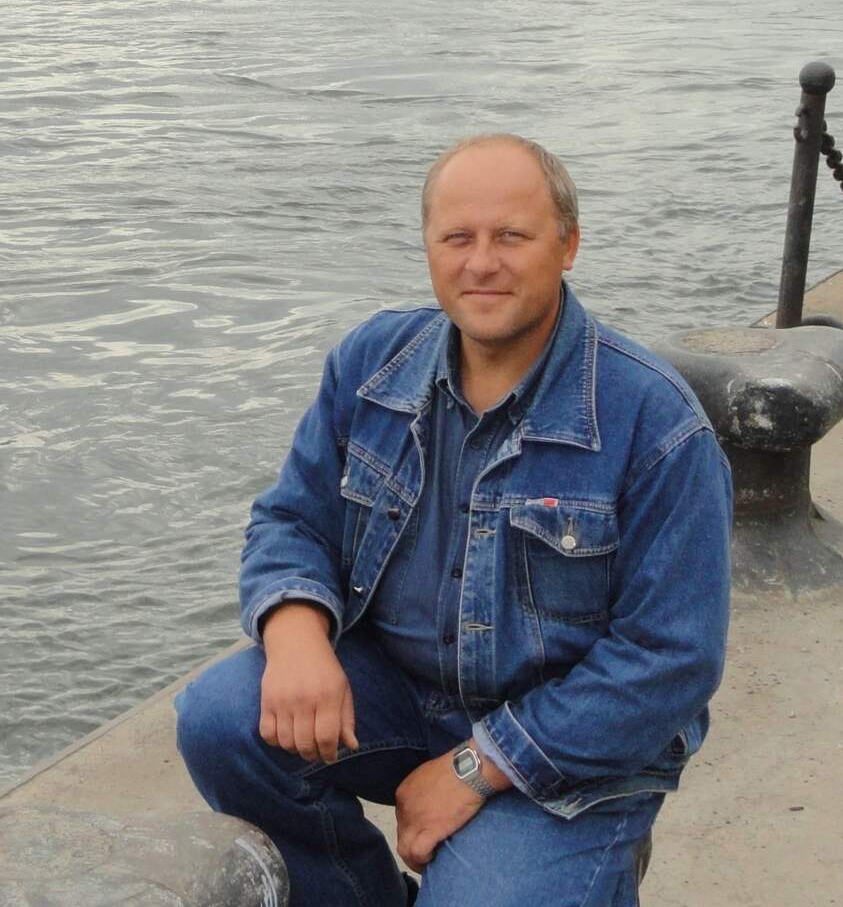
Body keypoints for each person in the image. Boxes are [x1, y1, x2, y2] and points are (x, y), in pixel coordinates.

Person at [175, 133, 732, 907]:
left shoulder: (656, 424)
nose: (482, 263)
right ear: (429, 246)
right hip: (404, 696)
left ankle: (585, 866)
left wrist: (477, 767)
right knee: (221, 719)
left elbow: (670, 659)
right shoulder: (371, 363)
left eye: (512, 236)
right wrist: (296, 632)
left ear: (568, 245)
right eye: (458, 238)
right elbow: (290, 519)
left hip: (573, 750)